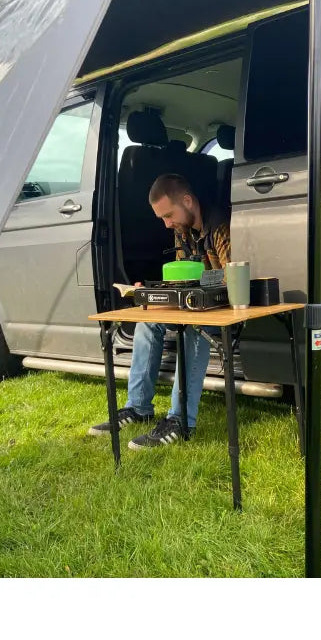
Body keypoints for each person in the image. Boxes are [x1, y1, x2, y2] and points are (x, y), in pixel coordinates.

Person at [88, 173, 231, 449]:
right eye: (162, 218)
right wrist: (153, 293)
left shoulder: (220, 226)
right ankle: (138, 407)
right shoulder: (182, 231)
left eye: (168, 215)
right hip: (194, 305)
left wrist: (194, 289)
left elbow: (232, 280)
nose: (166, 224)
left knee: (193, 329)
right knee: (148, 320)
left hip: (221, 308)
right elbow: (182, 278)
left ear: (187, 201)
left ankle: (180, 420)